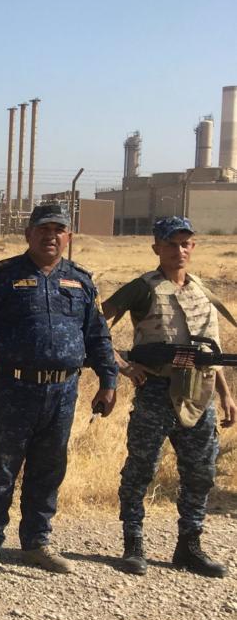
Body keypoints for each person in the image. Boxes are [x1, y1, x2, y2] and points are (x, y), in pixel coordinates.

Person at [0, 203, 118, 575]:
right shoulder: (1, 276)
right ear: (28, 234)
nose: (51, 236)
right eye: (43, 229)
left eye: (59, 230)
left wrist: (109, 380)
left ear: (68, 237)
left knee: (49, 468)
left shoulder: (81, 281)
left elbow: (98, 337)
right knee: (1, 468)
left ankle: (37, 543)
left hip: (62, 393)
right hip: (11, 389)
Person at [102, 216, 233, 578]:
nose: (180, 250)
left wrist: (226, 396)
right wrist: (123, 367)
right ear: (156, 247)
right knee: (141, 469)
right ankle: (133, 543)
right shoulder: (142, 289)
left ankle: (189, 546)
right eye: (172, 243)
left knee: (201, 472)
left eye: (186, 243)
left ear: (193, 247)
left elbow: (213, 352)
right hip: (157, 391)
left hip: (199, 393)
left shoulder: (202, 292)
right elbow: (95, 326)